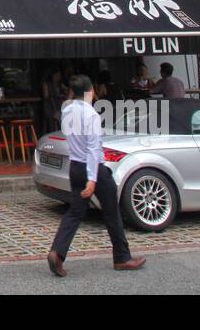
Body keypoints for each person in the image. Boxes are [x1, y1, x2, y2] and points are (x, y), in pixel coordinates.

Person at [48, 74, 145, 277]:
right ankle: (122, 257)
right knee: (112, 211)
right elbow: (93, 149)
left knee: (75, 212)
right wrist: (92, 179)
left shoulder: (67, 110)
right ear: (90, 91)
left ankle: (57, 251)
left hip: (75, 166)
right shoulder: (90, 114)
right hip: (93, 169)